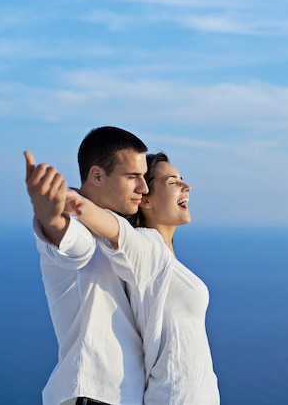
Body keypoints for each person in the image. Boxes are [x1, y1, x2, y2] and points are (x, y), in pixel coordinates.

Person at [64, 152, 220, 405]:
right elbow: (115, 229)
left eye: (182, 179)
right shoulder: (147, 248)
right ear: (145, 201)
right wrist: (74, 199)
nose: (186, 186)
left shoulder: (162, 257)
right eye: (172, 182)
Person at [25, 126, 151, 405]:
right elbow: (74, 245)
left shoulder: (124, 236)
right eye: (132, 177)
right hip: (92, 396)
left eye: (143, 177)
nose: (144, 188)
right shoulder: (77, 226)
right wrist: (51, 218)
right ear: (96, 175)